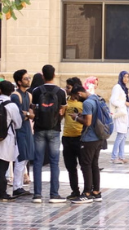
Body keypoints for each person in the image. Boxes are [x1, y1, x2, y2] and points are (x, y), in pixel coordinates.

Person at [31, 64, 68, 204]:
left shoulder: (36, 91)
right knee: (54, 162)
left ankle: (37, 195)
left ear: (42, 75)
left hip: (39, 129)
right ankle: (54, 194)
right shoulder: (60, 92)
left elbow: (33, 109)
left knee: (38, 162)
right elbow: (62, 111)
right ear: (54, 75)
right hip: (54, 129)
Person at [70, 85, 105, 204]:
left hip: (89, 139)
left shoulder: (87, 103)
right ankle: (96, 192)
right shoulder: (97, 98)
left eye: (75, 97)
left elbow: (88, 122)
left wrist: (76, 118)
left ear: (79, 93)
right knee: (94, 165)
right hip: (99, 137)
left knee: (86, 165)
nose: (76, 99)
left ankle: (87, 193)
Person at [10, 70, 34, 197]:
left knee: (25, 159)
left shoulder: (29, 95)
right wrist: (27, 115)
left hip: (27, 129)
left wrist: (28, 114)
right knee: (20, 158)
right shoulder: (15, 96)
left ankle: (19, 186)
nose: (28, 80)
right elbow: (19, 116)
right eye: (26, 78)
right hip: (19, 131)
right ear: (19, 82)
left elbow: (31, 114)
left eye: (29, 78)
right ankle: (16, 187)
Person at [61, 81, 84, 200]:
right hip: (67, 137)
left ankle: (87, 190)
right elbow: (60, 115)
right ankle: (75, 190)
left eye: (69, 87)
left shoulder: (83, 103)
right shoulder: (65, 102)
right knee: (70, 166)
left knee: (84, 165)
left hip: (80, 137)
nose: (66, 89)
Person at [0, 80, 23, 202]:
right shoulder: (12, 105)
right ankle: (2, 193)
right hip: (6, 139)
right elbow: (18, 124)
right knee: (2, 168)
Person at [109, 71, 129, 164]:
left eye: (128, 77)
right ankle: (114, 157)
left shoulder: (124, 88)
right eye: (124, 77)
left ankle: (121, 156)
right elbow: (113, 100)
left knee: (124, 135)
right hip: (120, 113)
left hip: (124, 114)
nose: (126, 79)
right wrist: (124, 104)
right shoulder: (117, 87)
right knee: (120, 135)